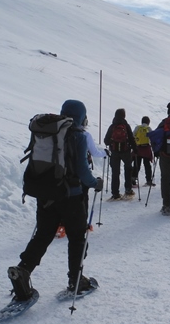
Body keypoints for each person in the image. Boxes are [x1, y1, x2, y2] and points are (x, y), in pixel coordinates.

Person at [7, 99, 103, 302]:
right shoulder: (77, 135)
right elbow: (83, 172)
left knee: (43, 235)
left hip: (46, 194)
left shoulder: (49, 132)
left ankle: (23, 271)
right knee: (77, 238)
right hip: (72, 197)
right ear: (82, 117)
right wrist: (96, 183)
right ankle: (76, 280)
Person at [103, 108, 136, 200]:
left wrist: (111, 143)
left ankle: (115, 193)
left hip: (114, 152)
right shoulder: (126, 125)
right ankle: (128, 190)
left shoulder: (112, 126)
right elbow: (131, 138)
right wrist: (135, 149)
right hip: (126, 151)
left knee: (115, 172)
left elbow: (106, 140)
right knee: (128, 169)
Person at [133, 116, 154, 187]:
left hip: (138, 148)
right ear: (148, 122)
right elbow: (152, 137)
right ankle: (148, 180)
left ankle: (133, 178)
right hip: (146, 149)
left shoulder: (137, 128)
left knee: (137, 164)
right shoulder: (148, 128)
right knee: (147, 165)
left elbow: (133, 136)